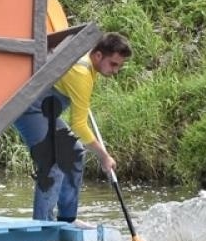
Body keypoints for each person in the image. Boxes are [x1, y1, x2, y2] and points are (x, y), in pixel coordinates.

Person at [12, 33, 128, 224]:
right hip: (29, 109)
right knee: (54, 163)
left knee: (75, 153)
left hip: (45, 112)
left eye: (119, 66)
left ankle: (66, 220)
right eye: (113, 64)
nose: (115, 71)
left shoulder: (85, 62)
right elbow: (79, 126)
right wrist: (104, 156)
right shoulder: (82, 74)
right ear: (98, 55)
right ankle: (43, 227)